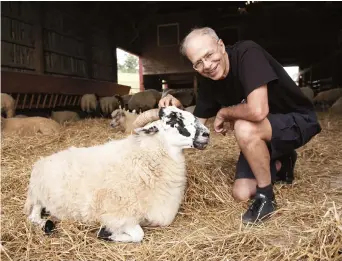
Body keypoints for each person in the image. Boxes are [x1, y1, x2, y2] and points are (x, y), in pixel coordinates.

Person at [158, 27, 322, 224]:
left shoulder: (247, 53)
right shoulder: (209, 81)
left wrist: (224, 112)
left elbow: (258, 111)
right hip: (262, 132)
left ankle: (266, 198)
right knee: (241, 193)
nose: (207, 65)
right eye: (198, 63)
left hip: (296, 120)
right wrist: (178, 110)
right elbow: (197, 124)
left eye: (209, 55)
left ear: (220, 45)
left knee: (243, 126)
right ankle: (282, 162)